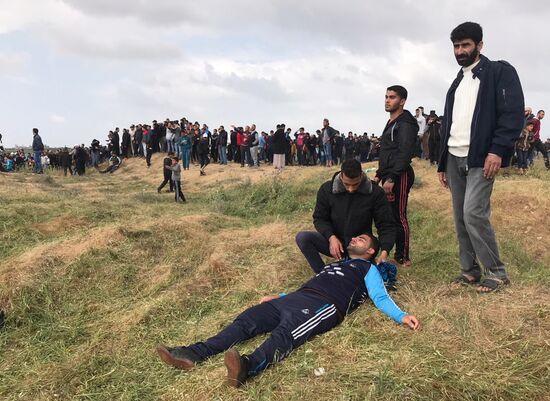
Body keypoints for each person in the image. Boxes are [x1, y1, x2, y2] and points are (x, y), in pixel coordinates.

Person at [156, 233, 419, 388]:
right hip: (296, 296)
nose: (353, 239)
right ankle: (193, 353)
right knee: (246, 320)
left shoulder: (367, 269)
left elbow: (380, 297)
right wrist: (279, 296)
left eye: (360, 239)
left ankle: (247, 367)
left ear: (371, 250)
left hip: (323, 306)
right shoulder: (332, 266)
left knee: (287, 333)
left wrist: (401, 315)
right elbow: (310, 284)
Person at [437, 22, 524, 292]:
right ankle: (469, 270)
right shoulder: (457, 81)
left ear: (479, 45)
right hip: (454, 156)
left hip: (481, 157)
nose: (460, 51)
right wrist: (442, 163)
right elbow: (449, 124)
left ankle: (497, 272)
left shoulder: (499, 72)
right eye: (456, 46)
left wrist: (497, 150)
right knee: (460, 216)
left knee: (473, 213)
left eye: (465, 45)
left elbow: (512, 114)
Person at [296, 159, 396, 273]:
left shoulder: (375, 193)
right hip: (336, 242)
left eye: (355, 184)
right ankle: (322, 273)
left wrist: (385, 251)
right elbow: (320, 219)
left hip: (359, 247)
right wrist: (331, 237)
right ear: (341, 176)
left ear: (361, 176)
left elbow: (386, 225)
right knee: (303, 238)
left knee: (365, 277)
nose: (351, 189)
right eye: (347, 184)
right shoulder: (327, 189)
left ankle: (355, 263)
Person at [374, 85, 418, 267]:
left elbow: (404, 152)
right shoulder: (392, 122)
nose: (387, 100)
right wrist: (379, 175)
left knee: (399, 216)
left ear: (402, 101)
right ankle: (394, 253)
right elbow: (388, 152)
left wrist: (391, 177)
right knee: (390, 217)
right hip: (389, 174)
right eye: (386, 96)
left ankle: (403, 257)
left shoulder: (405, 122)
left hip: (400, 175)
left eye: (392, 97)